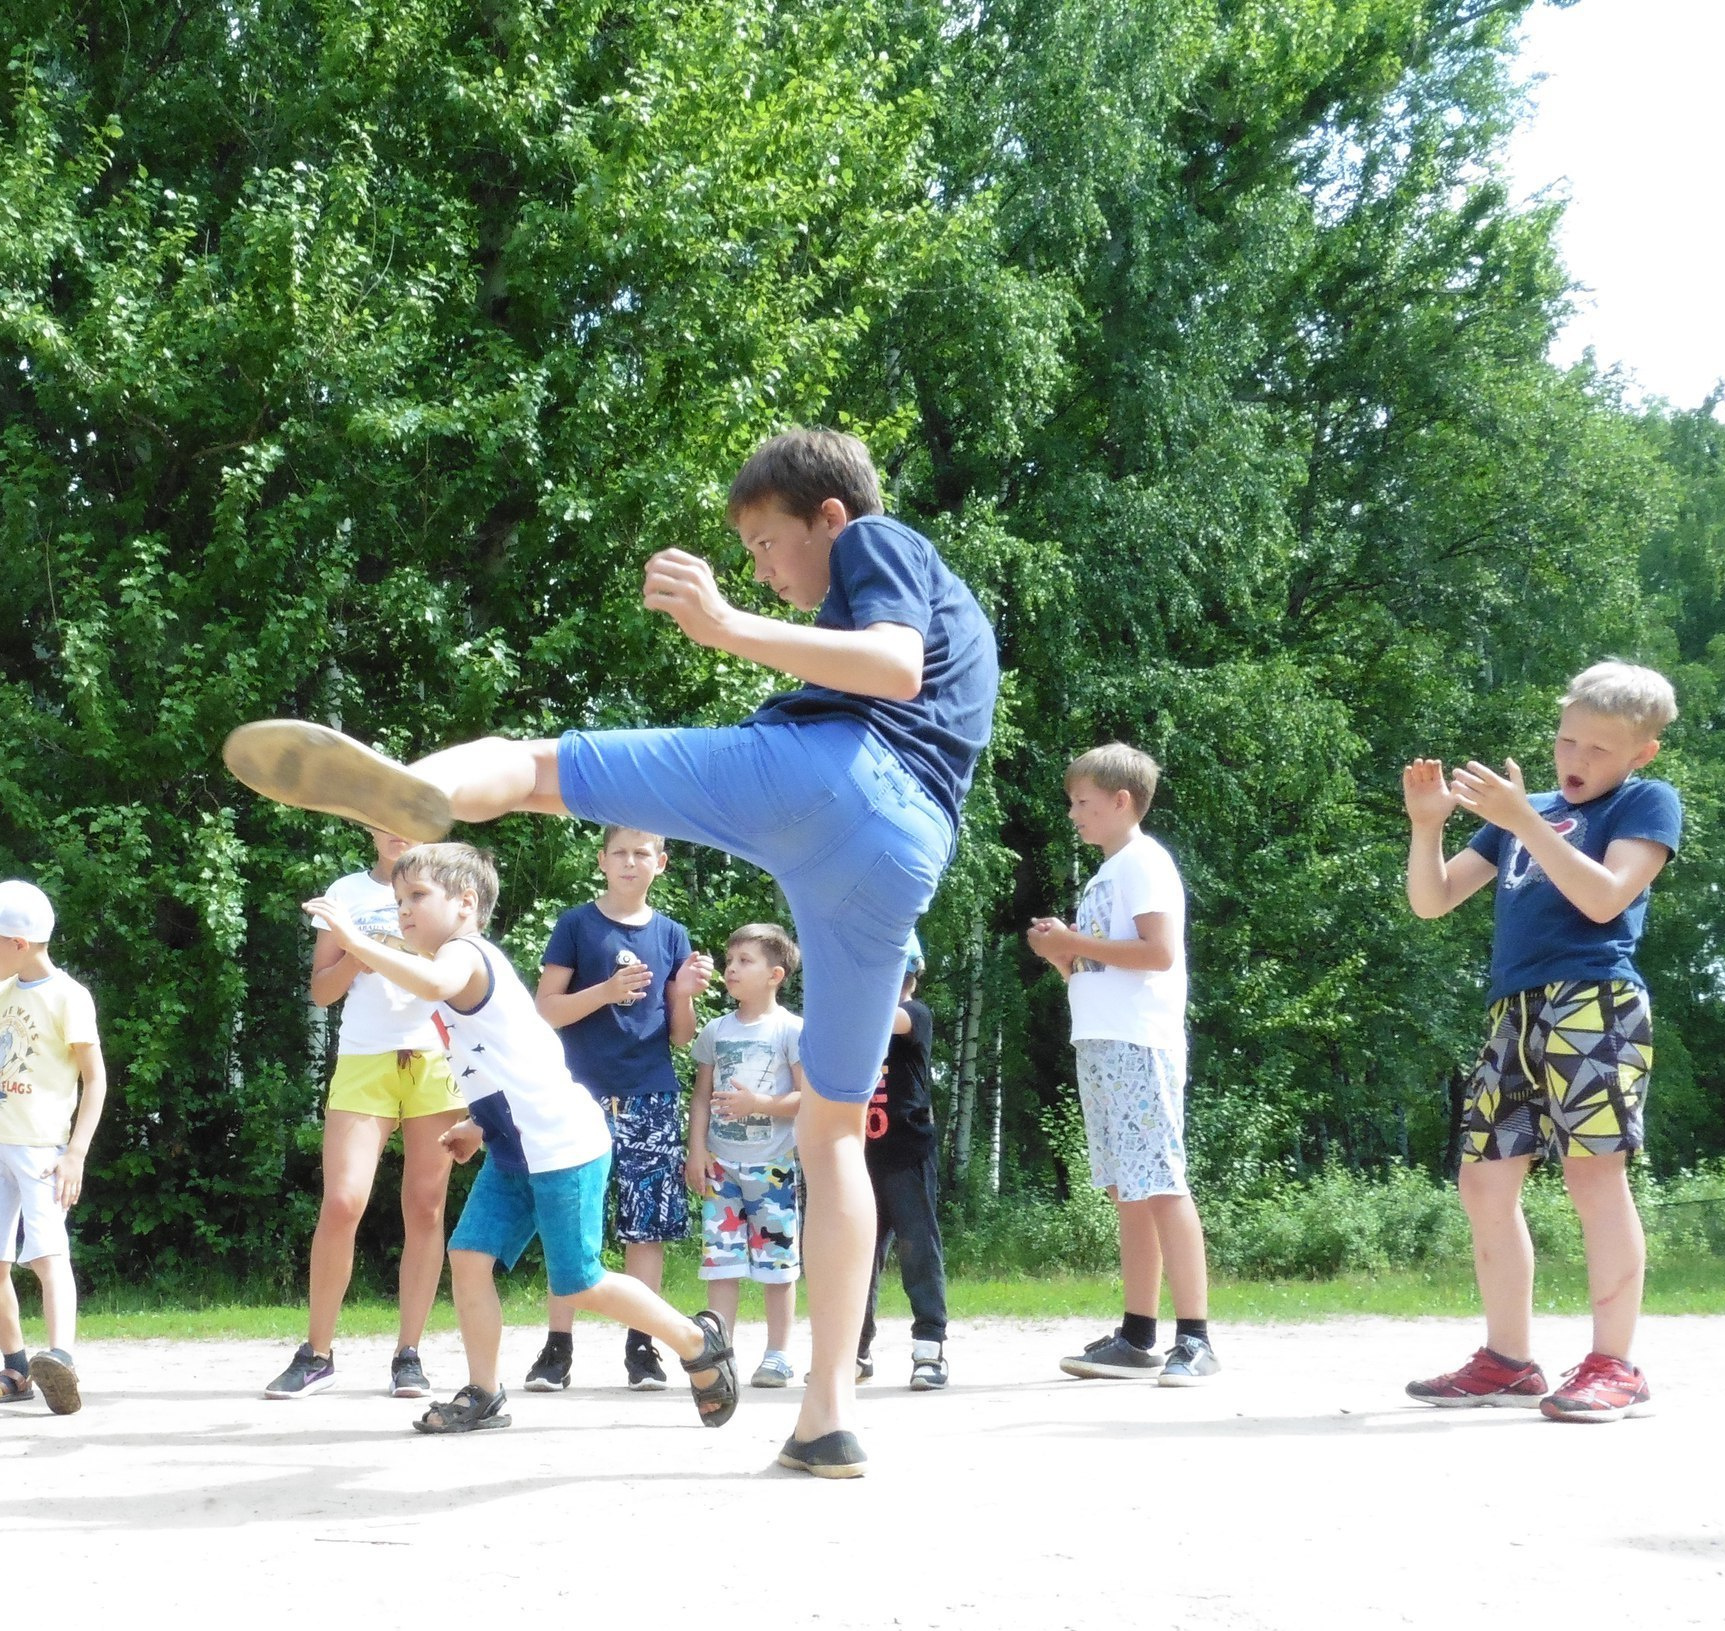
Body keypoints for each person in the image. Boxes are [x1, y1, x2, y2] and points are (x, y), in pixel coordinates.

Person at [225, 427, 998, 1475]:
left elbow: (893, 666)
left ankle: (414, 798)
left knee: (541, 769)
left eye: (767, 545)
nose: (763, 568)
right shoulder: (964, 626)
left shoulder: (877, 540)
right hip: (898, 864)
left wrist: (728, 626)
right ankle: (826, 1413)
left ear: (828, 518)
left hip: (839, 777)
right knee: (831, 1136)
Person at [303, 842, 739, 1435]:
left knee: (580, 1280)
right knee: (469, 1255)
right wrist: (479, 1124)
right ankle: (484, 1393)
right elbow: (508, 1060)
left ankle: (697, 1340)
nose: (401, 909)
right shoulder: (454, 960)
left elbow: (431, 983)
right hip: (516, 1146)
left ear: (465, 903)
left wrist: (354, 940)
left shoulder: (462, 954)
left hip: (561, 1145)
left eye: (416, 897)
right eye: (399, 898)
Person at [1402, 661, 1683, 1422]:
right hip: (1514, 1010)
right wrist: (1429, 825)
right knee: (1484, 1180)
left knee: (1596, 1177)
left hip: (1596, 1001)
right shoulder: (1524, 811)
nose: (1575, 759)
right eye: (1567, 741)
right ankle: (1507, 1359)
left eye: (1597, 748)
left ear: (1640, 753)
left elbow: (1603, 897)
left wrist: (1526, 818)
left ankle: (1614, 1365)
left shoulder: (1647, 802)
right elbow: (1433, 901)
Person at [1028, 744, 1217, 1387]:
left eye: (1082, 803)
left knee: (1160, 1183)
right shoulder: (1105, 874)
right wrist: (1062, 954)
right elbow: (1101, 965)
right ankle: (1138, 1336)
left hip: (1141, 1042)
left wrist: (1074, 941)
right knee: (1127, 1190)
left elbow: (1159, 953)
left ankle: (1196, 1339)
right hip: (1103, 1041)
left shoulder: (1144, 863)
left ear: (1121, 801)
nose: (1073, 815)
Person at [264, 828, 462, 1400]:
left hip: (434, 1058)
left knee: (425, 1209)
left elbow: (464, 984)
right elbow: (321, 993)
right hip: (363, 1058)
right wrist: (356, 951)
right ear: (369, 824)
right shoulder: (347, 890)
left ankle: (409, 1354)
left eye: (409, 814)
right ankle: (317, 1353)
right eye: (384, 815)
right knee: (343, 1201)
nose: (397, 829)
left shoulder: (447, 889)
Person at [526, 825, 712, 1391]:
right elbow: (545, 1011)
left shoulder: (673, 934)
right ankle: (557, 1349)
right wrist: (605, 992)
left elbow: (680, 1037)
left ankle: (643, 1349)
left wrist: (682, 995)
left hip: (650, 1092)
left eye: (642, 853)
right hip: (577, 1095)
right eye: (621, 853)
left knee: (645, 1227)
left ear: (662, 862)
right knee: (570, 1222)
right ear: (602, 860)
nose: (631, 862)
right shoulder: (576, 924)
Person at [0, 880, 106, 1418]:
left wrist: (75, 1152)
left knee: (48, 1257)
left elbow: (95, 1080)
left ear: (19, 942)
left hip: (42, 1152)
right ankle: (16, 1368)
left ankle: (61, 1359)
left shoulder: (69, 997)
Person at [685, 923, 804, 1386]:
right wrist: (697, 1150)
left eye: (744, 961)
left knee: (778, 1267)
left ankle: (777, 1354)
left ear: (775, 974)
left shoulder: (791, 1028)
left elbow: (806, 1097)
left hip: (773, 1167)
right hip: (720, 1167)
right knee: (722, 1262)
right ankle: (720, 1354)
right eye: (729, 960)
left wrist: (760, 1106)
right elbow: (700, 1096)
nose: (731, 969)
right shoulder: (716, 1030)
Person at [857, 936, 950, 1389]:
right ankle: (855, 1349)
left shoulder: (915, 1015)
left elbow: (884, 1019)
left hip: (908, 1155)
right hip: (864, 1160)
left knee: (919, 1250)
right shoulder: (860, 1023)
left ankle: (929, 1347)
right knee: (859, 1257)